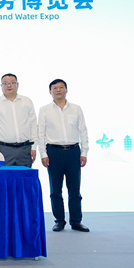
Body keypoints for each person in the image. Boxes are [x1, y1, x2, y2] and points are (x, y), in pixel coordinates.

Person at [38, 79, 90, 232]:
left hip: (73, 151)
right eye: (55, 88)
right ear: (50, 91)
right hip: (53, 152)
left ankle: (76, 221)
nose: (58, 90)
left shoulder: (76, 109)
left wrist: (84, 152)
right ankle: (59, 221)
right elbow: (40, 134)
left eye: (61, 87)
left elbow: (83, 131)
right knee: (55, 190)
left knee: (74, 189)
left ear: (66, 90)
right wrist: (43, 154)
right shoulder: (44, 110)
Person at [0, 73, 37, 167]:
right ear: (1, 86)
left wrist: (34, 147)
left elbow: (33, 125)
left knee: (24, 176)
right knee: (3, 176)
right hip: (3, 149)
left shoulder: (27, 101)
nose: (9, 85)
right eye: (5, 83)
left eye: (12, 83)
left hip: (25, 149)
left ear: (17, 84)